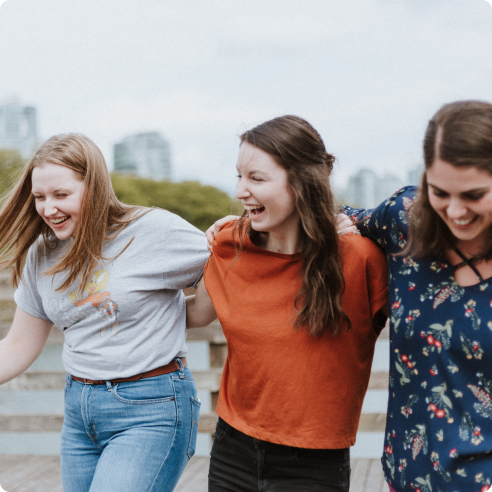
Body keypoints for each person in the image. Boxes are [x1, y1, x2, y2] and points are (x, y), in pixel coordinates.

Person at [186, 115, 389, 492]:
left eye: (257, 179)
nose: (241, 191)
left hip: (315, 462)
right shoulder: (229, 245)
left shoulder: (360, 258)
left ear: (301, 183)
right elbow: (196, 314)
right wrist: (116, 304)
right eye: (239, 176)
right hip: (233, 449)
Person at [0, 134, 209, 492]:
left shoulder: (151, 231)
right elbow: (18, 345)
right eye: (40, 197)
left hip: (152, 409)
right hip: (80, 412)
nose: (48, 208)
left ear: (94, 187)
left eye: (61, 195)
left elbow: (224, 271)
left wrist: (177, 314)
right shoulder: (42, 254)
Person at [338, 100, 492, 492]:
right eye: (440, 192)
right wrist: (238, 229)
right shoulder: (405, 216)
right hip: (408, 476)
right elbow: (331, 217)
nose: (455, 211)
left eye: (473, 195)